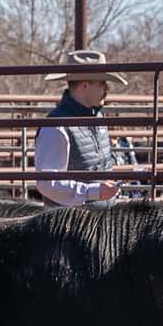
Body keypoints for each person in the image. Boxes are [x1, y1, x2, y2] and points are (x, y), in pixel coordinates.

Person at [33, 49, 130, 207]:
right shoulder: (56, 126)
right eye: (102, 83)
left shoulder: (97, 117)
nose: (107, 89)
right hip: (70, 224)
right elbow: (47, 184)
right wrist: (93, 191)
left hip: (97, 219)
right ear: (85, 85)